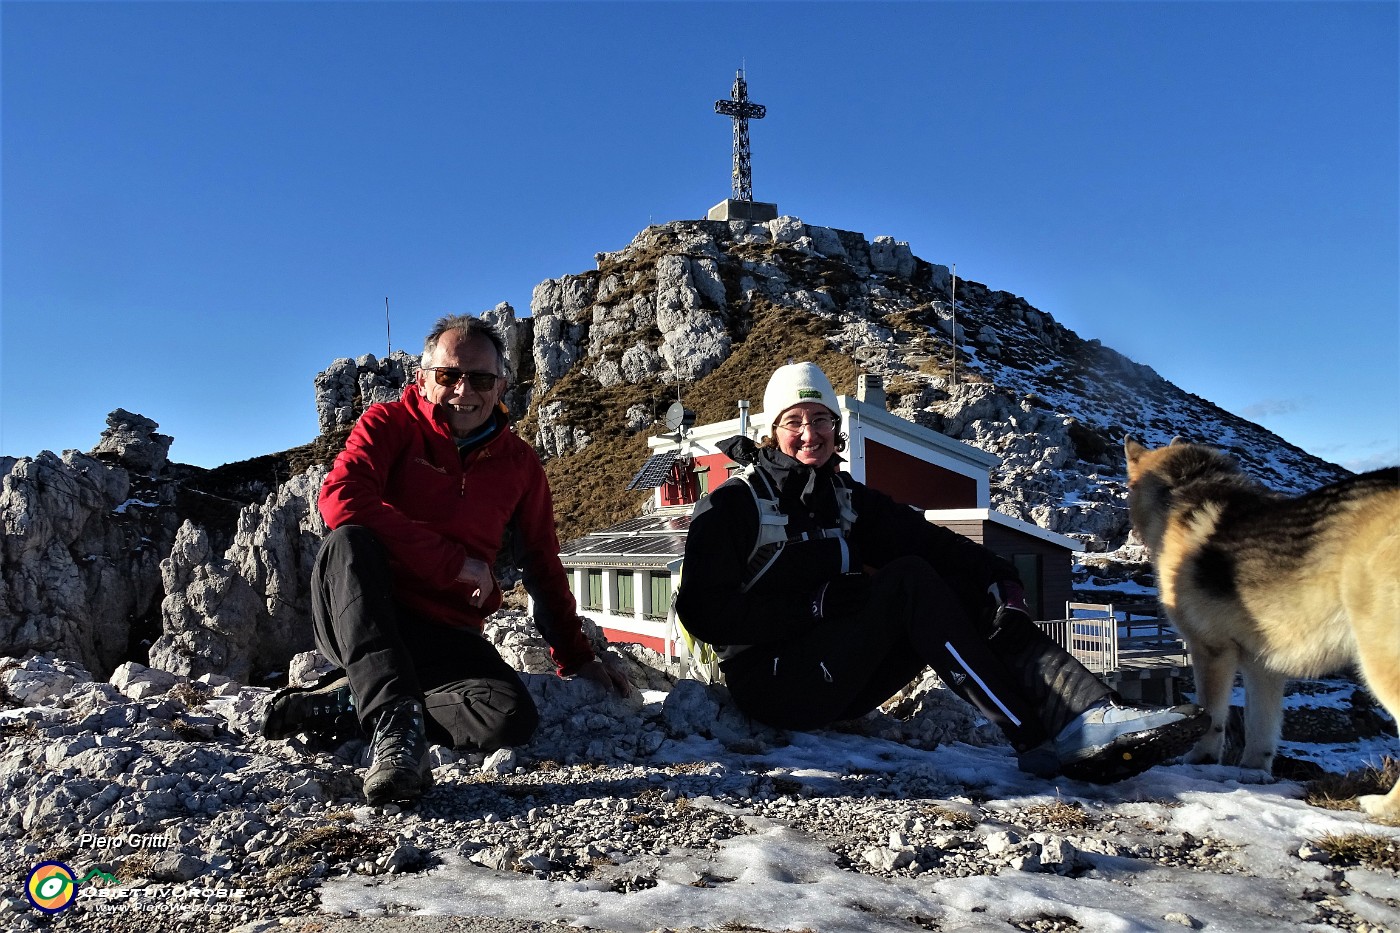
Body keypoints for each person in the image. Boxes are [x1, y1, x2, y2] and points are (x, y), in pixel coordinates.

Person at [675, 361, 1208, 783]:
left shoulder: (844, 499)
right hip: (774, 685)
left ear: (837, 429)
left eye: (820, 420)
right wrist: (811, 607)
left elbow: (928, 540)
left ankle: (1086, 714)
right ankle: (1035, 738)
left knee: (957, 581)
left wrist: (1001, 576)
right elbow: (701, 612)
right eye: (794, 422)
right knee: (908, 581)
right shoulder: (736, 506)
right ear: (771, 432)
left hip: (835, 674)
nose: (809, 433)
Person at [264, 315, 629, 805]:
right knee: (350, 541)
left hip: (447, 631)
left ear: (501, 384)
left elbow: (542, 563)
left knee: (508, 716)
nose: (464, 390)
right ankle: (395, 735)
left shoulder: (519, 465)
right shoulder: (387, 425)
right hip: (366, 613)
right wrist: (454, 563)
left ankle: (353, 701)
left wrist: (577, 659)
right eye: (448, 376)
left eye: (480, 379)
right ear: (422, 378)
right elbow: (340, 500)